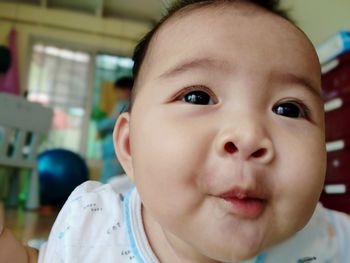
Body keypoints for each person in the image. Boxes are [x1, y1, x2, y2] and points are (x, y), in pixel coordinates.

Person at [2, 0, 350, 262]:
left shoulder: (322, 236)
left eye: (288, 109)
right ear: (129, 145)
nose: (247, 135)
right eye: (198, 97)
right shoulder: (93, 226)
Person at [96, 76, 133, 183]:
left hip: (114, 151)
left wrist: (100, 124)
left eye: (118, 92)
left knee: (110, 181)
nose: (117, 95)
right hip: (116, 149)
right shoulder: (128, 105)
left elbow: (115, 121)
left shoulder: (123, 105)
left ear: (127, 91)